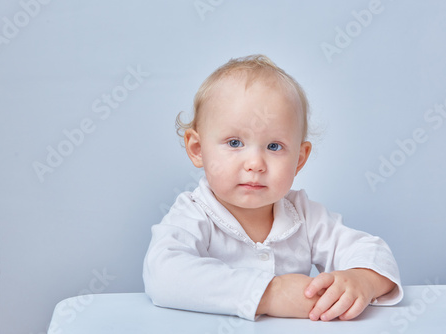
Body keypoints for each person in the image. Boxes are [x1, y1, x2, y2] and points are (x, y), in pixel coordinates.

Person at [143, 54, 403, 321]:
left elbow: (375, 253)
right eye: (234, 143)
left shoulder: (303, 215)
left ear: (299, 159)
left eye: (274, 146)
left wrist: (363, 279)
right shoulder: (194, 213)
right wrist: (270, 294)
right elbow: (163, 273)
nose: (255, 164)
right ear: (198, 149)